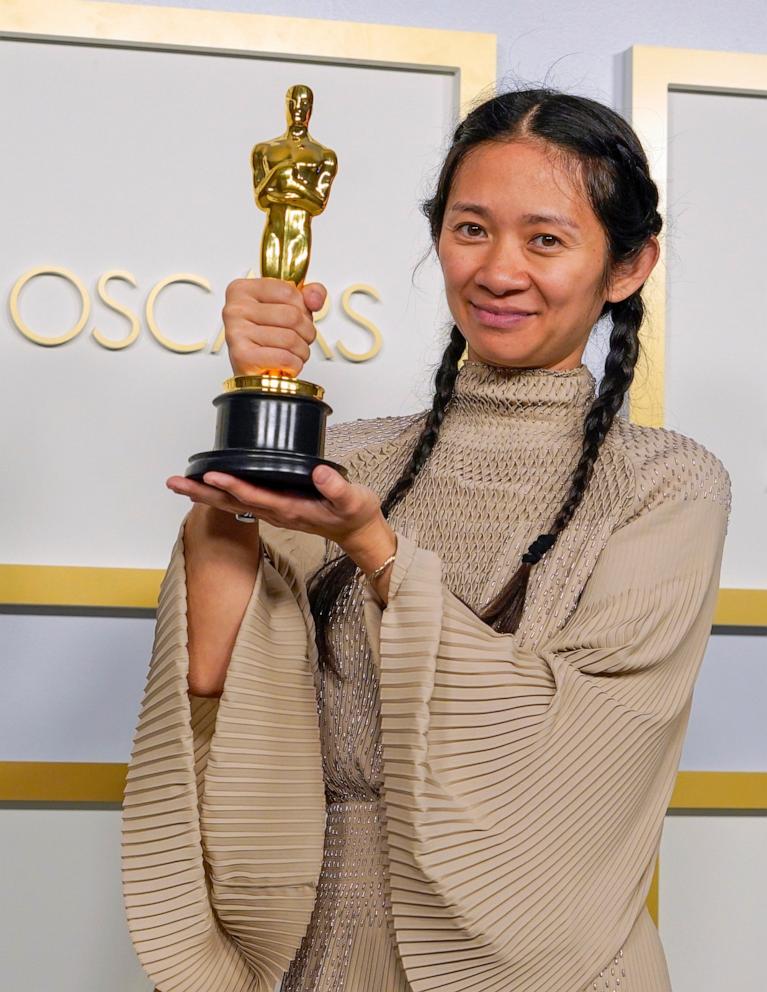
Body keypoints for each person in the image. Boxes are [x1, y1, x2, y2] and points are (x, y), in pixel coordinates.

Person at [121, 89, 731, 992]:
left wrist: (375, 549)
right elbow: (212, 675)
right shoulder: (352, 456)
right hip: (314, 938)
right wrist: (248, 433)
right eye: (470, 229)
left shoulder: (665, 484)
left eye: (547, 239)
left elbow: (576, 753)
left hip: (542, 962)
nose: (498, 271)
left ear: (628, 266)